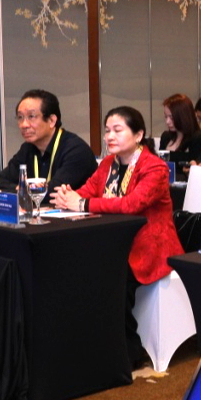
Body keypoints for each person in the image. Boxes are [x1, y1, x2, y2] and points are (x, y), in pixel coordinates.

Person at [49, 106, 184, 370]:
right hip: (113, 243)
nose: (109, 136)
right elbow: (86, 191)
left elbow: (132, 204)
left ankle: (127, 353)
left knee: (110, 277)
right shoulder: (108, 164)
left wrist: (82, 204)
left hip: (149, 247)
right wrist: (68, 196)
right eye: (107, 130)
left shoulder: (155, 167)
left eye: (117, 130)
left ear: (138, 135)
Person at [0, 89, 96, 204]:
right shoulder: (28, 149)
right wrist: (19, 190)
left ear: (52, 121)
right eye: (20, 117)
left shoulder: (76, 150)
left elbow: (51, 194)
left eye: (31, 117)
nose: (24, 124)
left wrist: (6, 193)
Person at [157, 93, 201, 164]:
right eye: (166, 116)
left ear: (183, 117)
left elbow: (195, 162)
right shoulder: (166, 137)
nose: (167, 121)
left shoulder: (198, 139)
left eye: (172, 117)